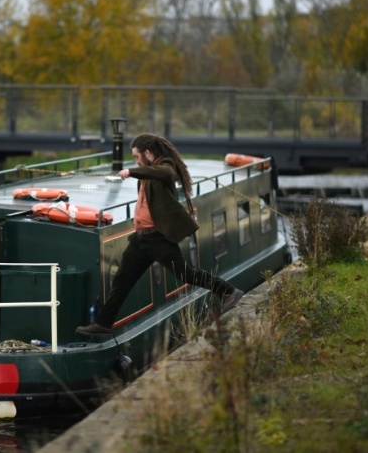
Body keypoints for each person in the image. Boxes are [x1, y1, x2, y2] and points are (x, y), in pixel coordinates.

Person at [76, 133, 244, 336]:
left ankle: (228, 291)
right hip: (140, 239)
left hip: (157, 239)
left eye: (137, 156)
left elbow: (165, 173)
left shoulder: (165, 166)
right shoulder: (148, 172)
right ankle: (103, 324)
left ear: (147, 153)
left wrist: (132, 171)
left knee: (186, 274)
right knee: (121, 280)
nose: (136, 161)